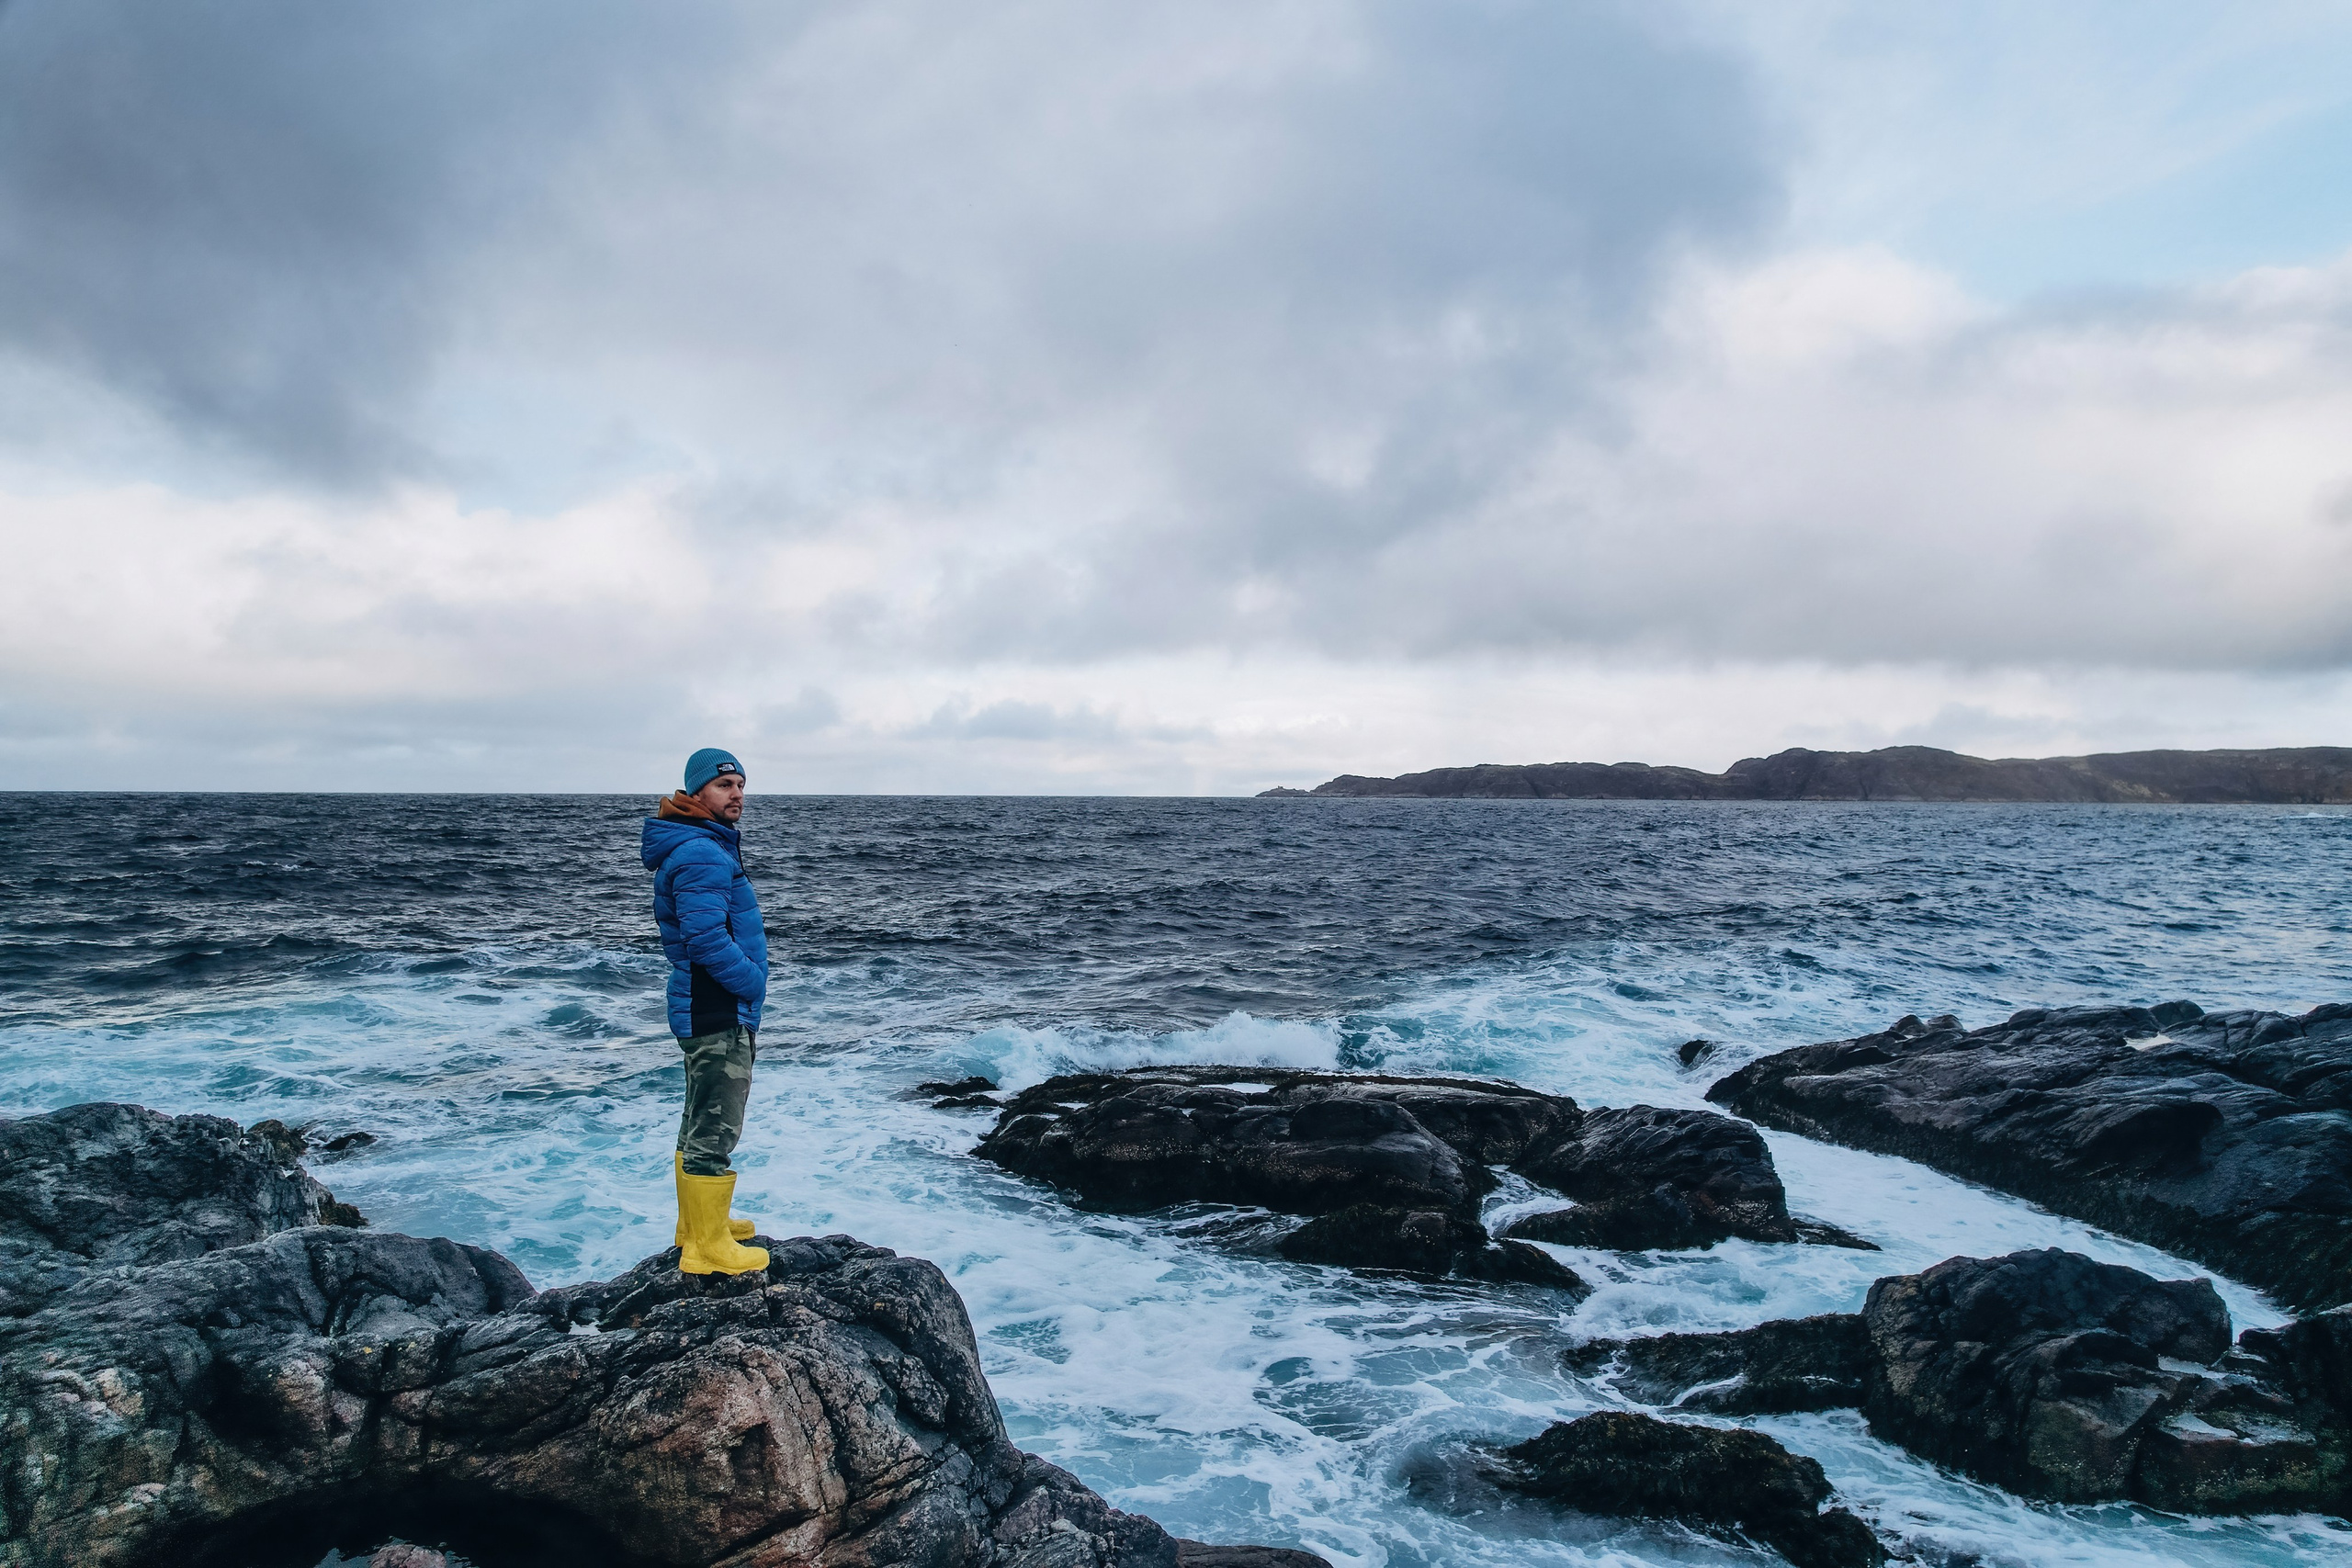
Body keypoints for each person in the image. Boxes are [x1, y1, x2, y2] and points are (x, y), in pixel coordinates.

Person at [641, 747, 770, 1275]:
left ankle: (696, 1227)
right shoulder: (702, 852)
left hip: (707, 1004)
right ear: (696, 793)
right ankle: (707, 1250)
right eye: (724, 786)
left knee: (699, 1118)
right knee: (716, 1126)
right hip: (716, 1005)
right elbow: (704, 937)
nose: (737, 794)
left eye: (740, 784)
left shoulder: (704, 844)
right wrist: (753, 981)